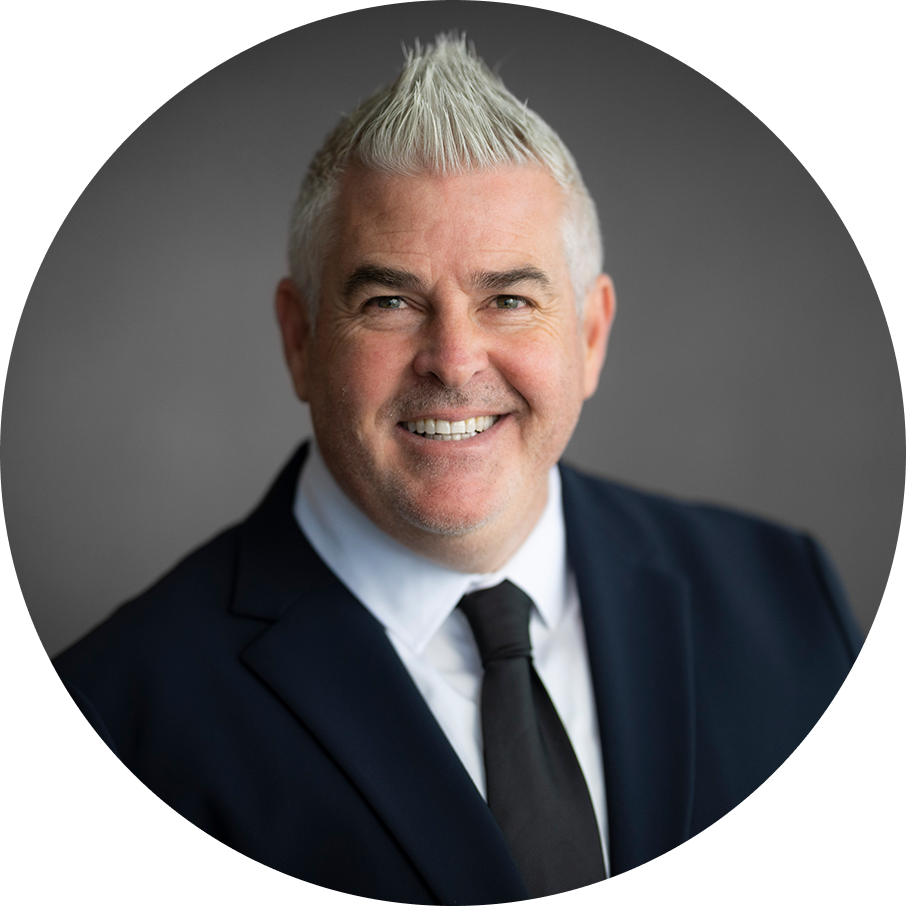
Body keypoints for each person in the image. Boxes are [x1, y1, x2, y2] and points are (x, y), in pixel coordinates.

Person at [1, 34, 904, 906]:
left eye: (508, 298)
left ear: (590, 335)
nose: (454, 360)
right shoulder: (115, 729)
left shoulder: (792, 605)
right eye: (390, 301)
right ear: (300, 338)